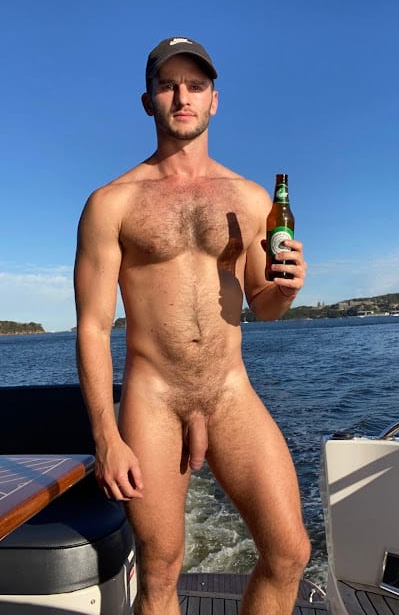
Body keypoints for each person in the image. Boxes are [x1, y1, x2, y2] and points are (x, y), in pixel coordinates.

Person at [74, 36, 310, 615]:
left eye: (196, 86)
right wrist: (107, 438)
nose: (183, 97)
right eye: (168, 85)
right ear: (148, 100)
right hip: (153, 400)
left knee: (289, 552)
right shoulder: (111, 203)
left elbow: (264, 306)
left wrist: (286, 290)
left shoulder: (250, 199)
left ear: (214, 100)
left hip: (230, 392)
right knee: (159, 572)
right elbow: (92, 326)